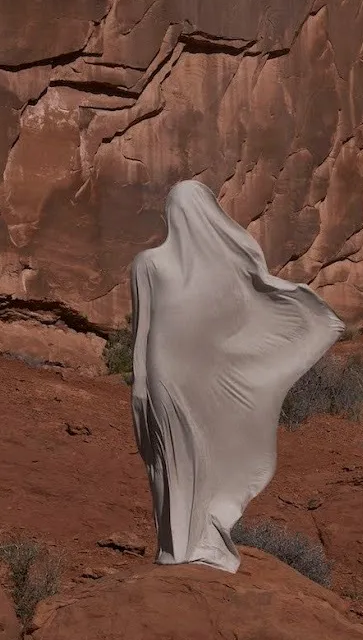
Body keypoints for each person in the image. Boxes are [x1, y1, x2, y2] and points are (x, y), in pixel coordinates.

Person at [129, 179, 343, 571]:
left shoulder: (219, 272)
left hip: (199, 375)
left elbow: (244, 313)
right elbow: (142, 331)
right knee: (169, 452)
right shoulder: (148, 264)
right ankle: (175, 543)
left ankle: (196, 539)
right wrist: (140, 384)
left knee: (201, 450)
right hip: (166, 374)